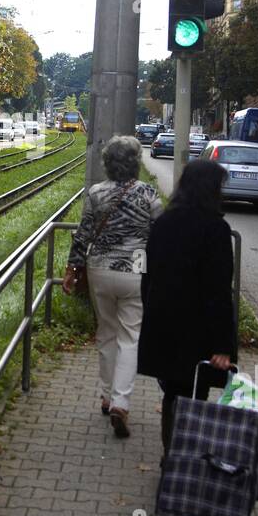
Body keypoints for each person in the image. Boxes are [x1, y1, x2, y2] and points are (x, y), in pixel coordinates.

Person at [62, 135, 164, 439]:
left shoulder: (95, 193)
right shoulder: (148, 194)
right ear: (135, 163)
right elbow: (160, 234)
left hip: (101, 267)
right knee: (130, 336)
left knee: (105, 332)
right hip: (136, 266)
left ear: (107, 163)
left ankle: (106, 397)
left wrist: (71, 269)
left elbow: (83, 235)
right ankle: (121, 401)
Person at [137, 159, 236, 460]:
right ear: (209, 190)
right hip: (199, 330)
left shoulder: (164, 222)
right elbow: (219, 290)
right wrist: (222, 345)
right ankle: (186, 462)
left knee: (172, 392)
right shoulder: (216, 230)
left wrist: (151, 310)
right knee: (196, 395)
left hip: (164, 324)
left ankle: (172, 457)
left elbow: (147, 272)